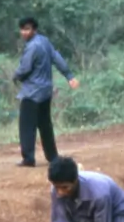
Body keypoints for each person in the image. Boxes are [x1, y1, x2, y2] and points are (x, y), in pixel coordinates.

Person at [13, 17, 79, 167]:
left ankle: (28, 158)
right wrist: (69, 75)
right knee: (45, 124)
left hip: (31, 92)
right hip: (45, 91)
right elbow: (57, 58)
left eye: (27, 29)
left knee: (27, 125)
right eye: (22, 29)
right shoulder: (45, 41)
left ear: (34, 30)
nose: (24, 32)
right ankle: (53, 156)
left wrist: (16, 76)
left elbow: (25, 68)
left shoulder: (31, 47)